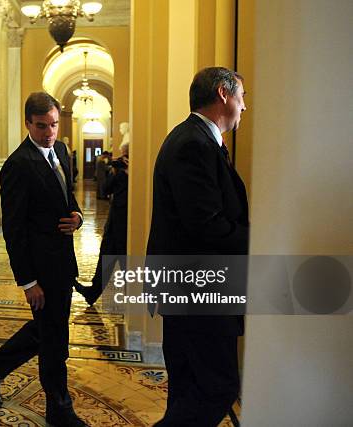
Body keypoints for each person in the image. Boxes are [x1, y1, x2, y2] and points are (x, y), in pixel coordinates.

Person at [0, 92, 86, 427]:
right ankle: (60, 411)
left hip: (63, 263)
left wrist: (78, 217)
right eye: (41, 126)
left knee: (48, 330)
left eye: (53, 124)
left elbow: (69, 198)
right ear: (27, 124)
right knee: (54, 341)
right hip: (40, 270)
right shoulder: (17, 165)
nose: (49, 132)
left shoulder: (61, 151)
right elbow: (14, 230)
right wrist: (28, 281)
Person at [147, 67, 249, 426]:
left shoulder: (196, 139)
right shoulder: (194, 143)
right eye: (242, 97)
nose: (244, 107)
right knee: (217, 387)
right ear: (223, 94)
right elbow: (206, 226)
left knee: (189, 388)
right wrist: (261, 238)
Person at [75, 141, 129, 306]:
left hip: (126, 224)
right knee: (106, 256)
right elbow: (106, 189)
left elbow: (107, 189)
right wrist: (116, 171)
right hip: (114, 222)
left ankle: (131, 298)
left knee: (125, 260)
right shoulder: (119, 170)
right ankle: (93, 292)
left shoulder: (137, 172)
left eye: (125, 155)